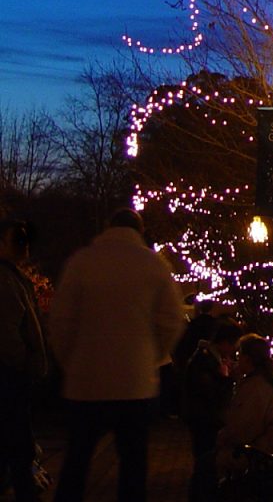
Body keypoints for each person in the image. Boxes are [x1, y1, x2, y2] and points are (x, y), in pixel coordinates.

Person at [51, 208, 186, 502]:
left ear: (108, 227)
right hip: (134, 383)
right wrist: (151, 356)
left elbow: (60, 322)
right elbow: (172, 320)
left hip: (86, 381)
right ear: (140, 231)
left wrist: (71, 362)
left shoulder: (82, 262)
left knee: (77, 462)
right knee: (133, 467)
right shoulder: (154, 265)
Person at [0, 219, 46, 502]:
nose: (24, 244)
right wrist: (24, 365)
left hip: (13, 375)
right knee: (17, 444)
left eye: (24, 239)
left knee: (15, 443)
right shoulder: (5, 280)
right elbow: (7, 334)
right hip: (9, 376)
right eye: (17, 240)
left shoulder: (13, 277)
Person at [216, 335, 273, 478]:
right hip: (266, 446)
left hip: (261, 452)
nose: (236, 360)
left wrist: (224, 437)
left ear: (247, 358)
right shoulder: (261, 380)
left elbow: (246, 427)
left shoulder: (257, 387)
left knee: (207, 464)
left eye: (239, 356)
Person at [181, 321, 240, 502]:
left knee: (204, 458)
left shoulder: (208, 357)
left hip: (202, 415)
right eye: (232, 346)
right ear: (225, 343)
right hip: (204, 417)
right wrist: (227, 379)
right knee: (204, 457)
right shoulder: (205, 360)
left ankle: (201, 492)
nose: (232, 352)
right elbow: (209, 392)